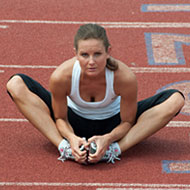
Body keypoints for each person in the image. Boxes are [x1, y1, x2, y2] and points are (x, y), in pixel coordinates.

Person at [6, 23, 185, 165]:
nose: (91, 62)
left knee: (175, 100)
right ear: (75, 53)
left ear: (108, 52)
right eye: (84, 55)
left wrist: (108, 139)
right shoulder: (62, 76)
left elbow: (127, 121)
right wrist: (70, 138)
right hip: (73, 121)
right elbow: (60, 119)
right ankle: (65, 148)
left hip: (113, 124)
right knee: (15, 84)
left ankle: (114, 151)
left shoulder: (124, 77)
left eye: (97, 54)